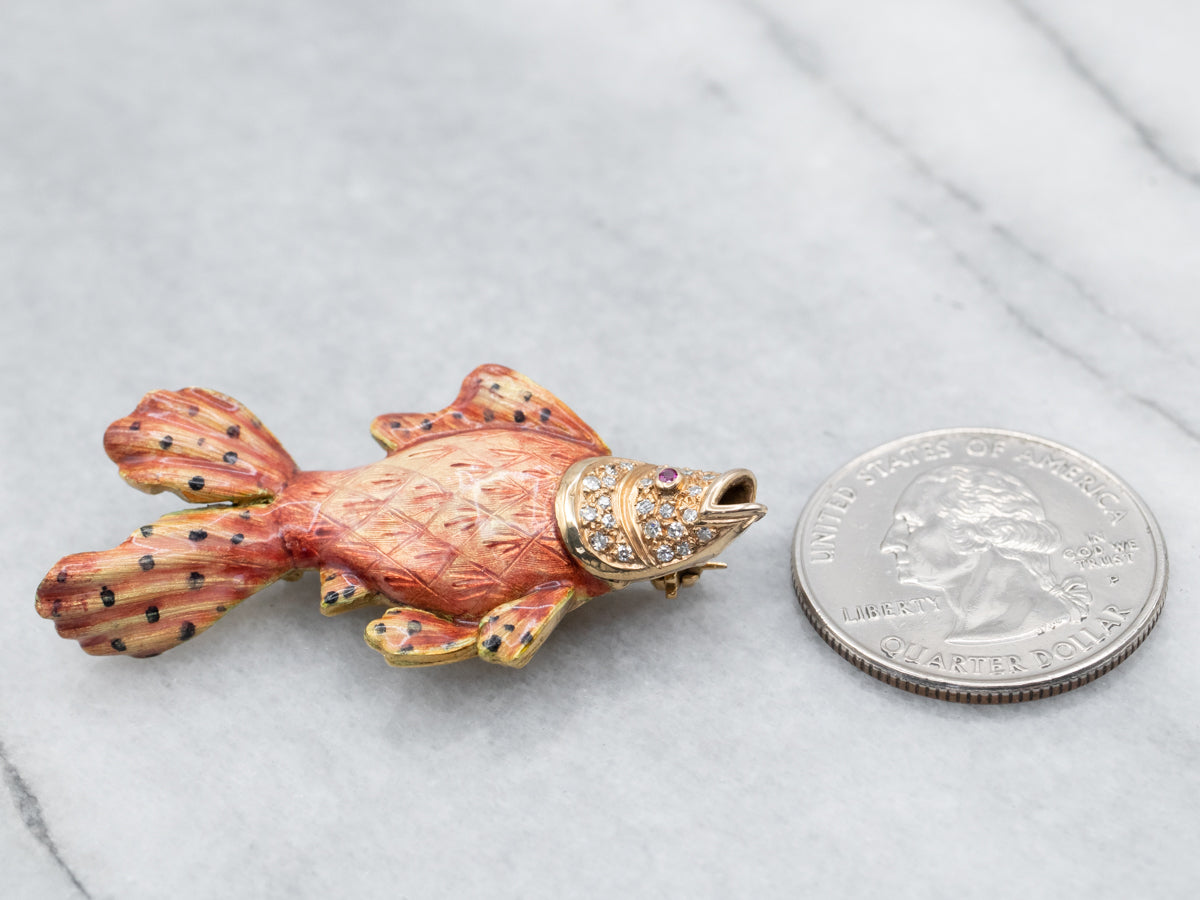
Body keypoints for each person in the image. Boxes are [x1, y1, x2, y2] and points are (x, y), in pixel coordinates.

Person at [879, 464, 1090, 643]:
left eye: (911, 524)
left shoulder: (1031, 621)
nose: (889, 544)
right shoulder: (973, 629)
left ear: (976, 530)